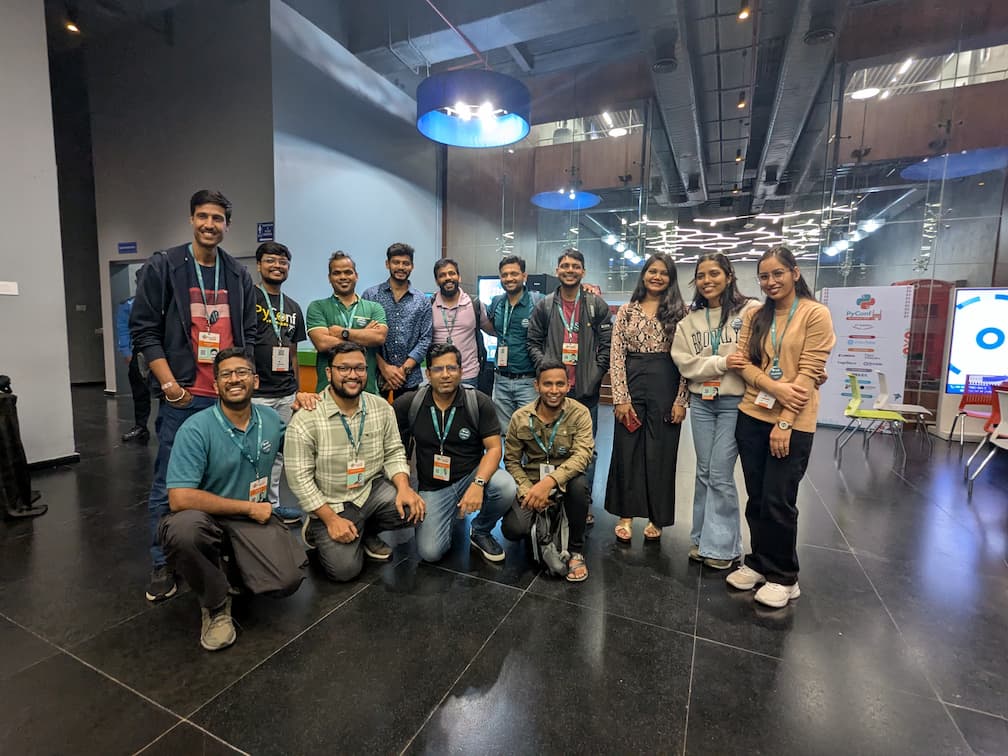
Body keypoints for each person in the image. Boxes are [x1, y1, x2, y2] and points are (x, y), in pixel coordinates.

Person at [130, 189, 257, 603]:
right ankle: (161, 560)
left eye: (217, 218)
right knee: (168, 482)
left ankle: (225, 554)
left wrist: (243, 380)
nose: (209, 224)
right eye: (203, 216)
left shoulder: (238, 274)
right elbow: (144, 330)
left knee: (228, 479)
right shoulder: (165, 266)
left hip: (227, 398)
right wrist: (169, 385)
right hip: (184, 396)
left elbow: (248, 335)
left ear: (227, 225)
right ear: (191, 220)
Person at [159, 348, 305, 651]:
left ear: (255, 381)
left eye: (242, 373)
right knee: (184, 530)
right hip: (207, 518)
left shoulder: (268, 418)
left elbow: (297, 448)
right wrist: (249, 507)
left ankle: (231, 567)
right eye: (226, 374)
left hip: (249, 519)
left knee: (286, 581)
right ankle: (214, 606)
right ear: (215, 386)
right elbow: (179, 497)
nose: (234, 379)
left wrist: (308, 409)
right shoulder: (196, 429)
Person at [724, 246, 835, 608]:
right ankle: (759, 562)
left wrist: (785, 422)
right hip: (752, 415)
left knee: (778, 499)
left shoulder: (815, 315)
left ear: (795, 273)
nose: (771, 282)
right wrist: (772, 386)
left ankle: (784, 576)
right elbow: (742, 362)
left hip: (794, 421)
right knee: (756, 497)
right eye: (765, 276)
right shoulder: (756, 314)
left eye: (778, 274)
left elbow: (808, 374)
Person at [284, 342, 426, 581]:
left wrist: (404, 488)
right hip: (331, 501)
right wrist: (330, 519)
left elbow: (393, 451)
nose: (353, 375)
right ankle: (319, 526)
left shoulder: (381, 407)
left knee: (415, 509)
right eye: (344, 368)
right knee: (345, 571)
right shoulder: (306, 418)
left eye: (359, 368)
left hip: (369, 491)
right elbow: (300, 479)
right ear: (329, 373)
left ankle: (363, 528)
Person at [672, 253, 760, 569]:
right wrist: (721, 363)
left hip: (734, 403)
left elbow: (759, 351)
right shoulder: (688, 321)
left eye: (714, 274)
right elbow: (685, 363)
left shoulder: (750, 311)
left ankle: (723, 548)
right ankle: (702, 538)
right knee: (704, 471)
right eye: (701, 275)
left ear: (729, 276)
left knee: (720, 474)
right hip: (702, 404)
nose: (707, 281)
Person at [394, 344, 516, 564]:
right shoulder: (410, 403)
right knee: (430, 553)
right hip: (433, 485)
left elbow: (495, 448)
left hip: (471, 474)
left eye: (451, 368)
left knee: (505, 486)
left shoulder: (478, 401)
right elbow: (385, 432)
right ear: (428, 373)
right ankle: (448, 515)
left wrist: (478, 484)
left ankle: (480, 530)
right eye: (438, 369)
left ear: (461, 371)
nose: (446, 375)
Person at [605, 253, 689, 543]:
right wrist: (620, 397)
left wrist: (681, 400)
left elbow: (687, 361)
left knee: (661, 453)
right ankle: (625, 514)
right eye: (652, 271)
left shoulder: (680, 312)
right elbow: (616, 356)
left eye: (663, 273)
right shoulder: (627, 311)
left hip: (667, 384)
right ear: (643, 275)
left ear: (671, 278)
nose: (657, 276)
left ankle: (657, 517)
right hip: (632, 382)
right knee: (626, 450)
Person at [526, 248, 612, 522]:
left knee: (587, 449)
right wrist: (546, 369)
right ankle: (554, 495)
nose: (570, 270)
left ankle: (582, 502)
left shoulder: (595, 305)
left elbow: (607, 345)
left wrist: (595, 374)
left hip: (585, 391)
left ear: (583, 271)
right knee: (550, 445)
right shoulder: (545, 305)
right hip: (553, 390)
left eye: (575, 266)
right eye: (565, 265)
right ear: (557, 270)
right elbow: (533, 342)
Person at [501, 360, 594, 582]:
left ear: (568, 385)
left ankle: (575, 550)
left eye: (560, 384)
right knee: (513, 530)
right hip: (532, 482)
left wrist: (549, 483)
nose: (554, 390)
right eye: (548, 384)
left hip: (566, 481)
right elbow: (512, 461)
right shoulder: (520, 418)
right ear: (536, 386)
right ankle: (544, 521)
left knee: (580, 486)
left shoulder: (580, 413)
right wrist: (527, 491)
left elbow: (583, 456)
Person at [250, 241, 307, 525]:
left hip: (285, 393)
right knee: (254, 452)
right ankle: (250, 507)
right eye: (271, 261)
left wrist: (296, 389)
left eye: (283, 262)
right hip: (256, 393)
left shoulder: (293, 307)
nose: (277, 266)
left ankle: (272, 505)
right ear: (259, 265)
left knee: (278, 453)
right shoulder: (249, 299)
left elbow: (293, 353)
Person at [306, 252, 387, 395]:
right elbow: (322, 343)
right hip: (328, 393)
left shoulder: (374, 307)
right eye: (337, 273)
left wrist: (343, 332)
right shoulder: (317, 307)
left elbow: (379, 337)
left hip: (367, 392)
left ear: (356, 275)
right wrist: (363, 336)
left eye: (348, 272)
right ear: (329, 278)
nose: (343, 277)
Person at [362, 242, 433, 400]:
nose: (401, 267)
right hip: (375, 374)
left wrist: (402, 371)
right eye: (396, 262)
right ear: (387, 264)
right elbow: (364, 337)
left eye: (406, 263)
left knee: (407, 423)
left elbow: (426, 339)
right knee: (375, 422)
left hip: (409, 377)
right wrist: (385, 368)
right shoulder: (370, 296)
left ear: (412, 266)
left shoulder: (422, 301)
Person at [485, 255, 542, 432]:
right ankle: (509, 462)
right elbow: (490, 327)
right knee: (505, 434)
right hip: (501, 380)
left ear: (524, 276)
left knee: (529, 433)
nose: (509, 278)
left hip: (528, 381)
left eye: (514, 274)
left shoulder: (538, 301)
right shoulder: (496, 303)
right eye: (504, 275)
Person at [430, 258, 493, 389]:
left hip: (468, 375)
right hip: (439, 375)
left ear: (459, 277)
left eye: (452, 273)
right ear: (437, 281)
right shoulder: (429, 305)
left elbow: (492, 330)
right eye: (442, 275)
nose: (448, 278)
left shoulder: (474, 303)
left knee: (469, 409)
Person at [116, 284, 151, 443]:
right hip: (139, 351)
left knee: (168, 389)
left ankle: (168, 426)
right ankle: (141, 426)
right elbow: (123, 328)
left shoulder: (165, 300)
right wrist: (126, 352)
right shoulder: (128, 305)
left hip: (165, 350)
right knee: (140, 392)